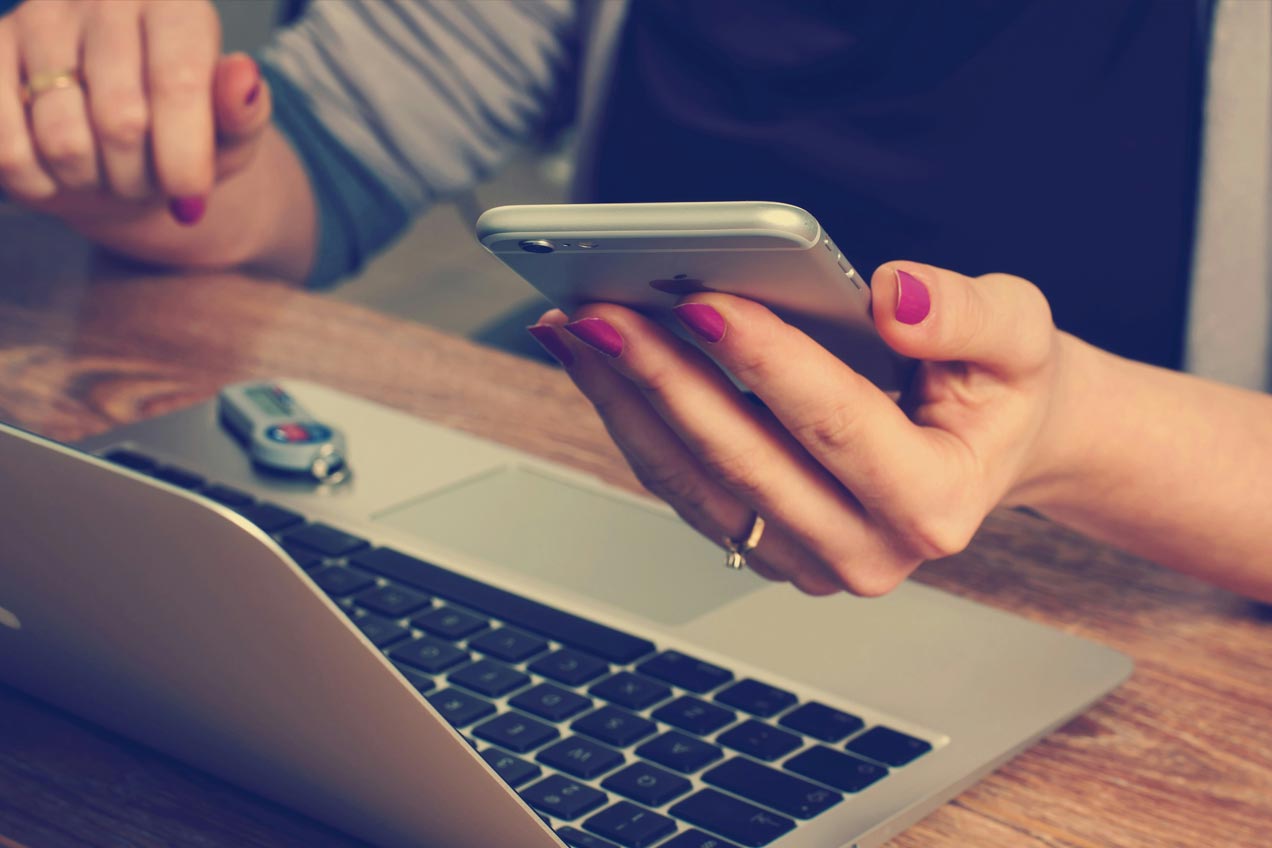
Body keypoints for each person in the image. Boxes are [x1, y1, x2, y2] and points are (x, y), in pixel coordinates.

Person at [1, 0, 1269, 601]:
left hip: (1139, 648)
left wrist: (1069, 429)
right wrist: (157, 161)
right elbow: (330, 156)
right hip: (615, 562)